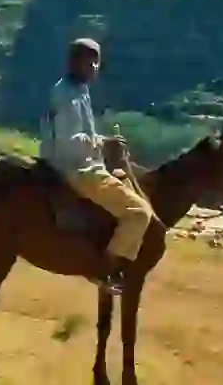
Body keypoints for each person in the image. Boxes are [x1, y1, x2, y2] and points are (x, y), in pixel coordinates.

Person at [39, 38, 155, 295]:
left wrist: (103, 142)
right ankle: (103, 268)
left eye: (95, 61)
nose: (92, 66)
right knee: (139, 213)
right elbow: (71, 141)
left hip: (79, 162)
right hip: (78, 169)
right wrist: (103, 145)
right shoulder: (67, 95)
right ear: (72, 62)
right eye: (86, 60)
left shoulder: (77, 90)